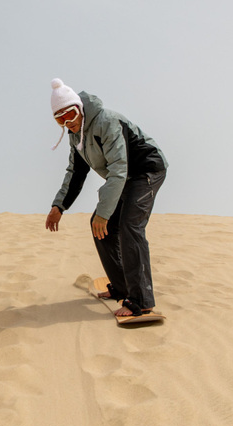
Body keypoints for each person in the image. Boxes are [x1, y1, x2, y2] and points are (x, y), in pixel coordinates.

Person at [45, 78, 167, 318]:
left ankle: (141, 300)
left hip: (146, 171)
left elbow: (119, 168)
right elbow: (76, 172)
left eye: (69, 115)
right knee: (101, 227)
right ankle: (122, 288)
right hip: (124, 177)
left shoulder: (106, 122)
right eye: (60, 119)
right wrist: (59, 205)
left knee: (130, 226)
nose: (67, 123)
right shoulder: (75, 134)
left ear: (79, 109)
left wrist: (104, 212)